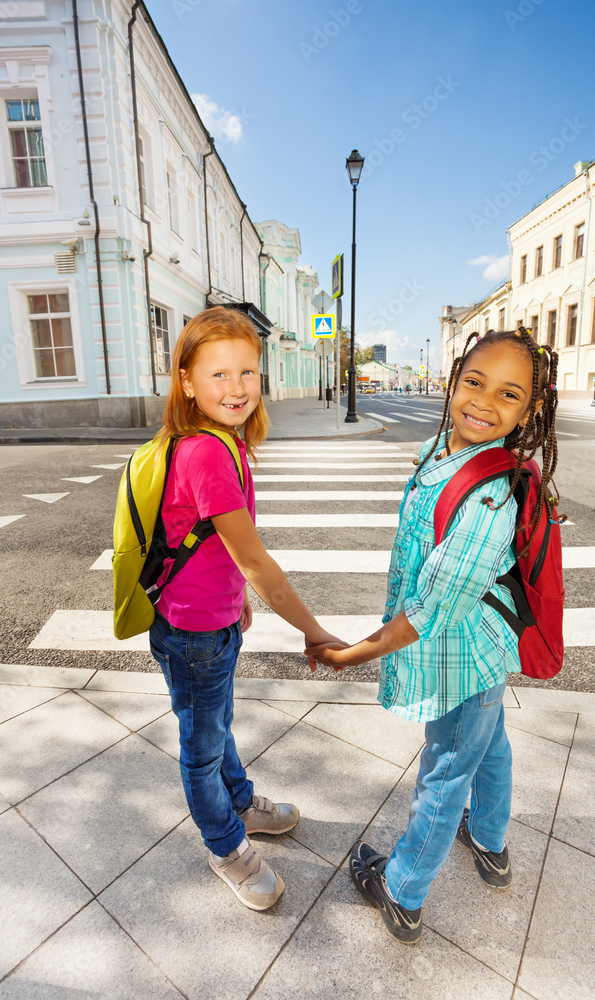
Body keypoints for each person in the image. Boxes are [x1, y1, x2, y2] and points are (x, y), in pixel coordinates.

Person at [306, 328, 560, 944]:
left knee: (446, 773)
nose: (482, 402)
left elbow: (433, 611)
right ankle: (493, 845)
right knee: (488, 746)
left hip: (459, 660)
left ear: (530, 411)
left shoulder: (493, 499)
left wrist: (352, 653)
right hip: (481, 653)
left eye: (509, 394)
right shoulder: (435, 451)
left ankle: (403, 890)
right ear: (452, 381)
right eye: (473, 382)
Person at [149, 306, 344, 912]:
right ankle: (225, 844)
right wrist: (313, 631)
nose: (236, 388)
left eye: (248, 373)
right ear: (185, 382)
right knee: (201, 745)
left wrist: (234, 605)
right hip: (192, 633)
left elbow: (211, 546)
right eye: (218, 375)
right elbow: (258, 563)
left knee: (215, 725)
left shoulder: (223, 441)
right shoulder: (206, 453)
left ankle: (239, 804)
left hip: (212, 621)